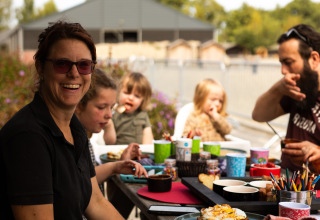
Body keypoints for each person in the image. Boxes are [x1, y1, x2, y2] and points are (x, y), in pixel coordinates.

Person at [0, 21, 123, 219]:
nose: (74, 73)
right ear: (41, 67)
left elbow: (96, 202)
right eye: (62, 64)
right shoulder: (27, 137)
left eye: (84, 65)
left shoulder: (74, 128)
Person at [252, 24, 320, 173]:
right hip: (287, 184)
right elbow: (258, 115)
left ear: (314, 59)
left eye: (288, 62)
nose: (283, 71)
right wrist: (277, 89)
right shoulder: (300, 88)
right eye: (281, 63)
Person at [75, 68, 148, 193]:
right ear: (79, 105)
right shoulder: (72, 141)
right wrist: (114, 167)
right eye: (102, 107)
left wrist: (118, 165)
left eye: (111, 107)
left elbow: (88, 177)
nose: (109, 115)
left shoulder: (83, 137)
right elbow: (83, 183)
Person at [104, 72, 153, 145]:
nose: (130, 98)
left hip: (138, 152)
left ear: (143, 100)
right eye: (126, 93)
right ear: (118, 92)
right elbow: (109, 143)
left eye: (137, 96)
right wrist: (109, 125)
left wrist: (146, 151)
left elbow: (148, 136)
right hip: (118, 152)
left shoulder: (142, 114)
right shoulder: (113, 114)